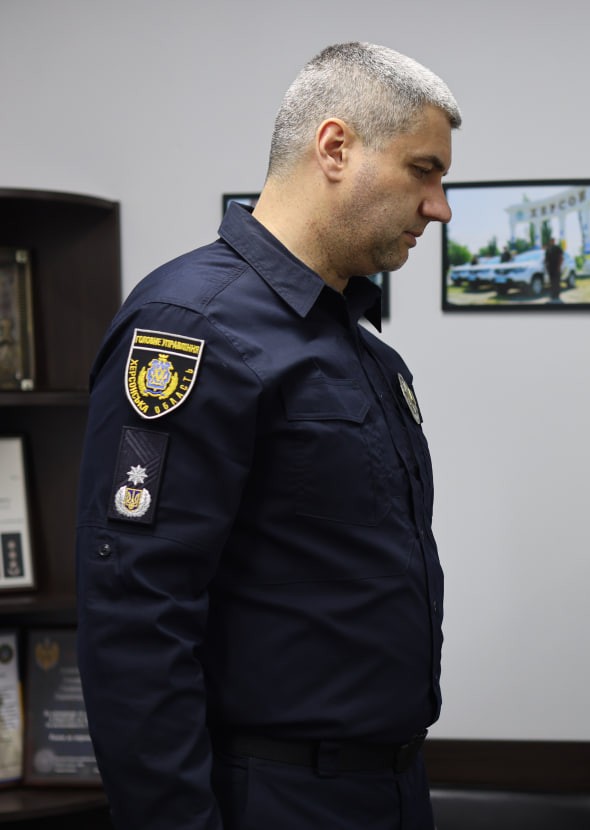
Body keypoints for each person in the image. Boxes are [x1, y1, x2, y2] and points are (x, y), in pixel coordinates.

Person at [75, 42, 460, 830]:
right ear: (335, 148)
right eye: (424, 171)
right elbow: (137, 615)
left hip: (387, 789)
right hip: (271, 796)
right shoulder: (193, 327)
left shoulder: (361, 349)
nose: (440, 207)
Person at [544, 236, 565, 302]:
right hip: (550, 269)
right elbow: (546, 260)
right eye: (551, 241)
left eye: (553, 240)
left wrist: (559, 266)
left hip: (556, 268)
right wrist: (546, 267)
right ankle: (553, 295)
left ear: (554, 241)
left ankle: (557, 295)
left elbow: (561, 257)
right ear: (550, 242)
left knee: (557, 282)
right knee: (552, 282)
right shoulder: (548, 250)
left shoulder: (557, 248)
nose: (552, 242)